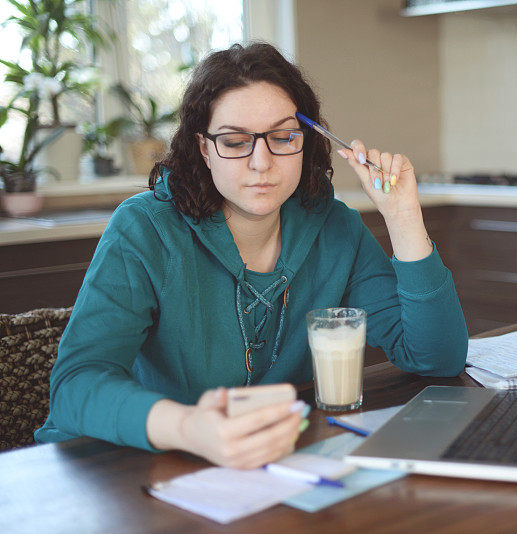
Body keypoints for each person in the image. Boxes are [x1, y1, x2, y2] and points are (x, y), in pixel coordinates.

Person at [35, 42, 468, 468]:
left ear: (306, 140)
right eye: (235, 141)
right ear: (204, 149)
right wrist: (189, 427)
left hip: (274, 462)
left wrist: (404, 216)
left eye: (283, 137)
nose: (261, 161)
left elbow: (437, 357)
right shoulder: (144, 229)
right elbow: (75, 387)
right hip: (129, 465)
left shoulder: (336, 228)